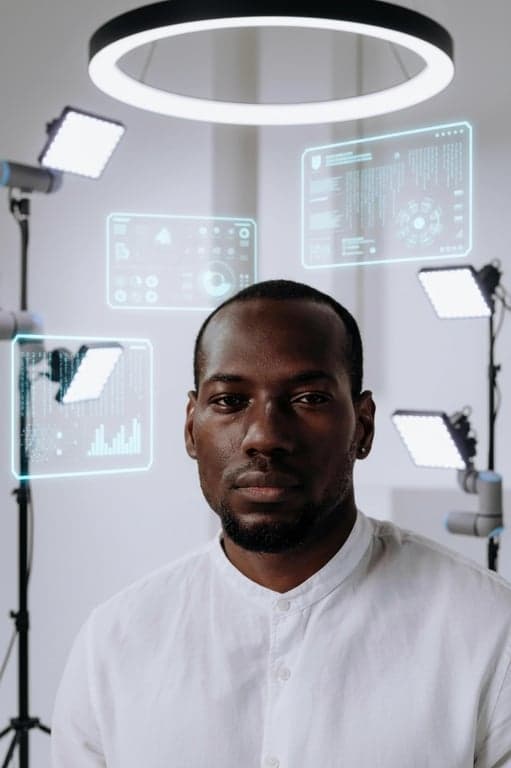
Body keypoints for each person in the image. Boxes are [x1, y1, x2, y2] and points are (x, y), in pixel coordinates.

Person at [51, 279, 511, 767]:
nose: (265, 437)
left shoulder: (487, 628)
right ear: (191, 427)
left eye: (308, 398)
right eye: (229, 401)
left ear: (364, 426)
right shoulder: (115, 642)